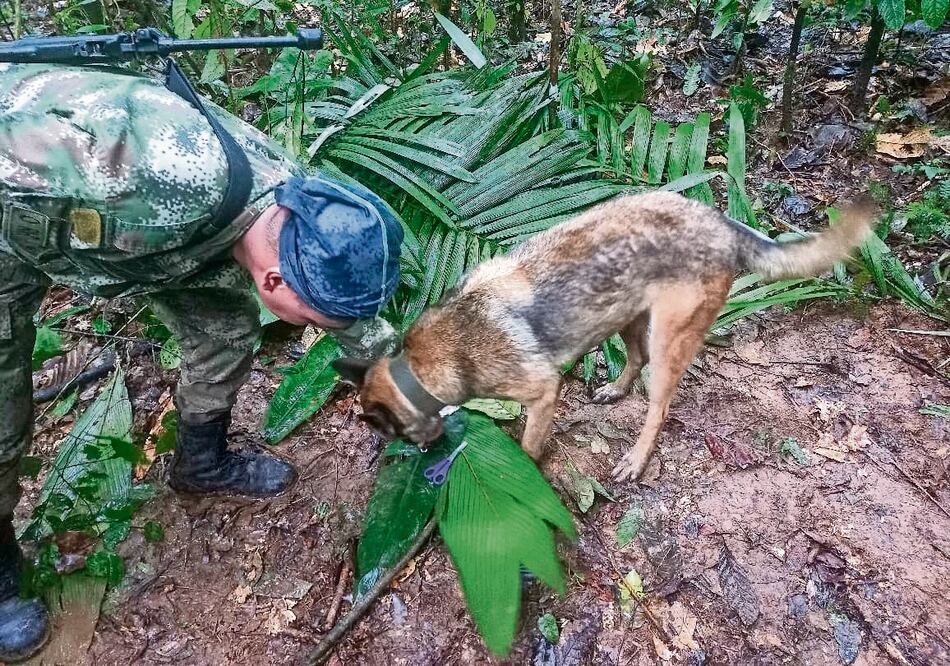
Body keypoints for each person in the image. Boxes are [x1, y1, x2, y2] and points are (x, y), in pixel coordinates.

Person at [0, 61, 403, 662]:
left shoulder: (301, 211)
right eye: (313, 322)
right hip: (17, 218)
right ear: (275, 280)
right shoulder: (152, 181)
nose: (317, 331)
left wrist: (416, 408)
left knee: (225, 330)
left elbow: (356, 322)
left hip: (144, 241)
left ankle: (201, 463)